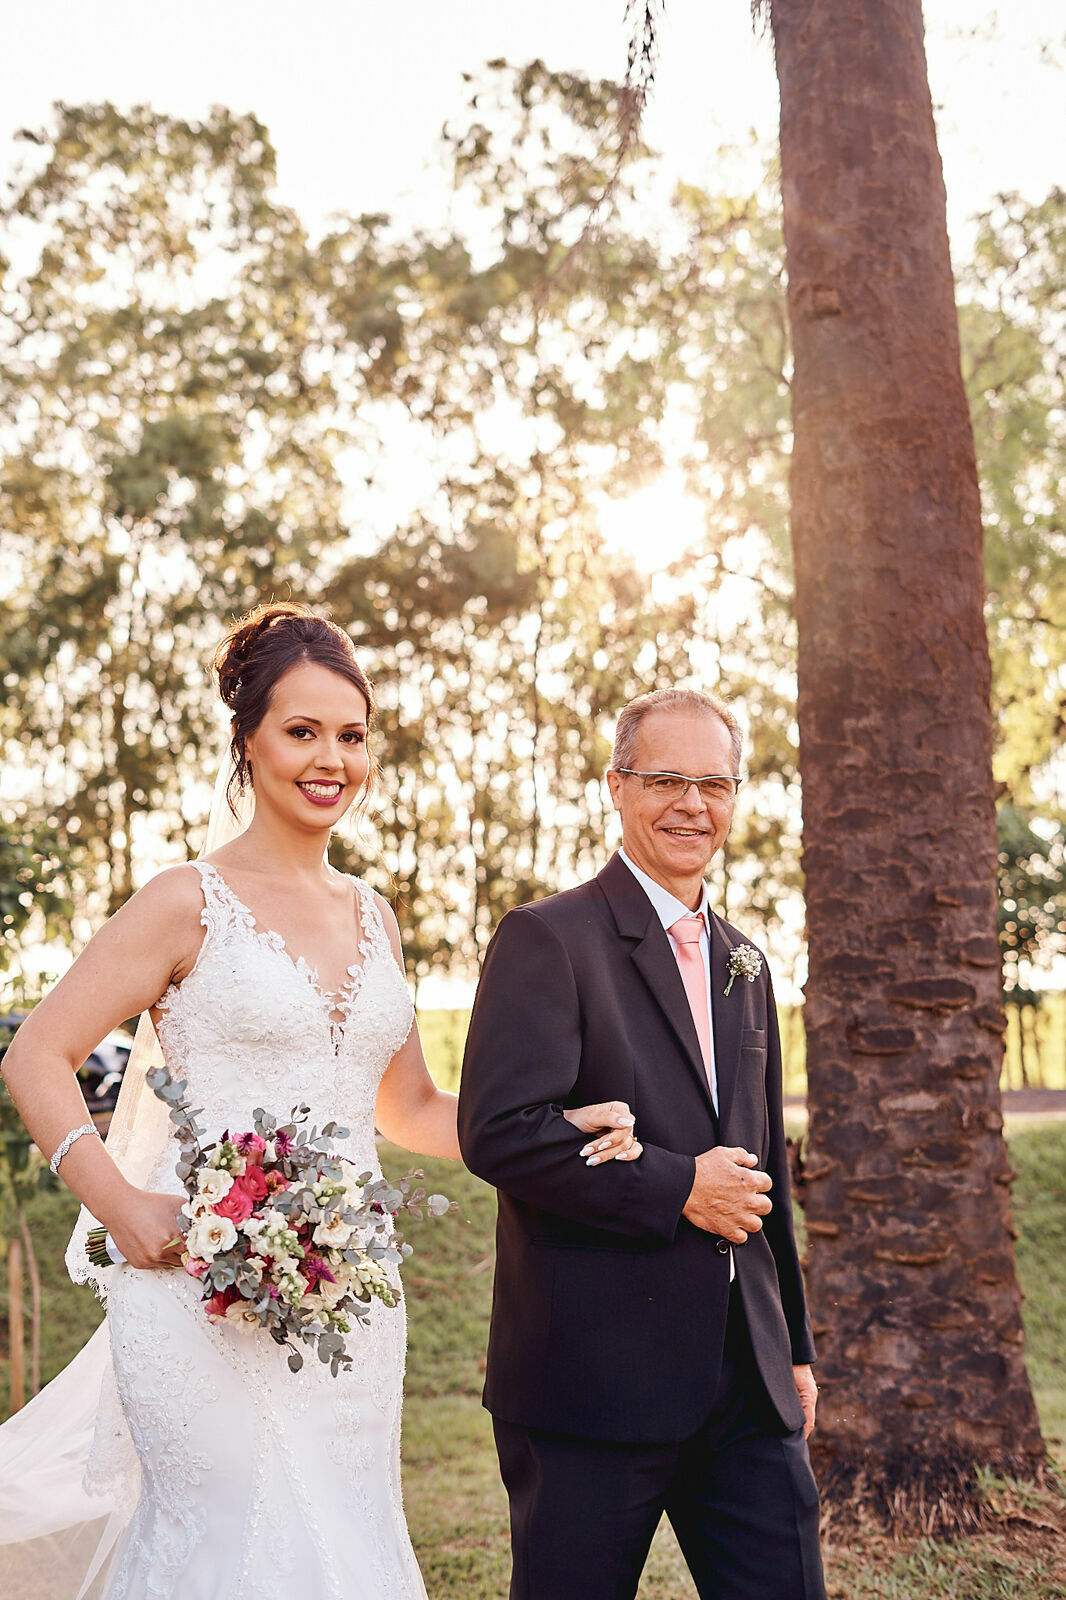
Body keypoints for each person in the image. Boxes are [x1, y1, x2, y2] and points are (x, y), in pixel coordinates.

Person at [0, 601, 639, 1600]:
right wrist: (119, 1206)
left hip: (349, 1295)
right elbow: (37, 1054)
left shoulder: (376, 915)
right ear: (247, 740)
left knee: (343, 1544)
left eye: (352, 735)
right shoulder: (183, 900)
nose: (330, 758)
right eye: (302, 731)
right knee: (226, 1541)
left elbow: (413, 1107)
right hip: (191, 1287)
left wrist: (550, 1130)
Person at [458, 687, 827, 1600]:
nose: (691, 805)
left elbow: (763, 1164)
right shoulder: (548, 938)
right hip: (592, 1384)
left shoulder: (749, 962)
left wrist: (797, 1348)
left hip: (745, 1382)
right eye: (665, 779)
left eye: (714, 782)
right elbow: (499, 1133)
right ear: (615, 788)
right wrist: (674, 1187)